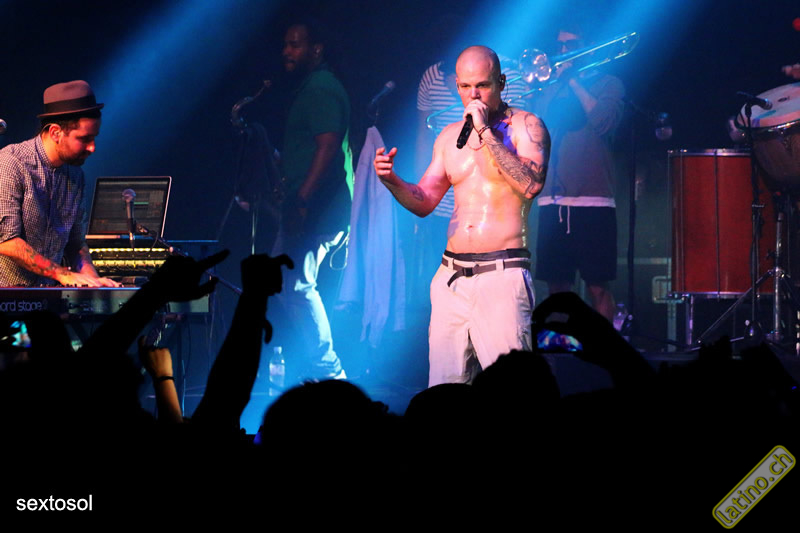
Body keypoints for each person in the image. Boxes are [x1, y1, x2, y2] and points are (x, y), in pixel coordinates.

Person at [374, 45, 550, 386]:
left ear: (501, 82)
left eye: (482, 85)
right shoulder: (449, 137)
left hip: (501, 274)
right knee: (445, 388)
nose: (474, 95)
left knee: (512, 389)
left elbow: (531, 185)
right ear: (456, 86)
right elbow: (425, 201)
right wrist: (392, 180)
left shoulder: (526, 126)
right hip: (451, 277)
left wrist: (485, 132)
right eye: (466, 87)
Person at [271, 20, 352, 380]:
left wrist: (302, 199)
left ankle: (331, 374)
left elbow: (328, 146)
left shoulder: (320, 86)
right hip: (312, 205)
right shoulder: (314, 86)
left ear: (316, 49)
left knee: (297, 287)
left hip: (318, 208)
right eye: (285, 45)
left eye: (295, 45)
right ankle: (314, 371)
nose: (286, 52)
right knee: (289, 286)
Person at [532, 25, 624, 321]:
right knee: (556, 289)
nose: (563, 53)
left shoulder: (609, 83)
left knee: (598, 288)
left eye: (570, 46)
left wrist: (573, 81)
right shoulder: (548, 89)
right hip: (552, 200)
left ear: (588, 47)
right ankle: (562, 347)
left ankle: (602, 346)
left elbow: (603, 122)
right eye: (560, 47)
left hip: (594, 200)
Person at [0, 80, 118, 287]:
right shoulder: (11, 162)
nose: (92, 148)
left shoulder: (76, 175)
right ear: (56, 132)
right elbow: (6, 241)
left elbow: (76, 243)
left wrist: (94, 282)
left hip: (47, 297)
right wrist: (63, 274)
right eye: (84, 139)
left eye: (94, 138)